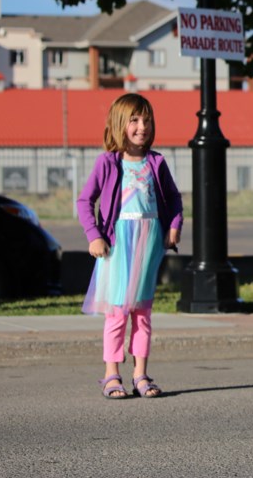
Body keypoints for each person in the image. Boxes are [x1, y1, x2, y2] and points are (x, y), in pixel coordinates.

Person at [77, 93, 183, 400]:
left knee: (143, 312)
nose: (141, 127)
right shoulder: (108, 162)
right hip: (117, 242)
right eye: (134, 120)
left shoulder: (157, 162)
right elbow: (85, 200)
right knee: (117, 312)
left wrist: (174, 227)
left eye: (146, 120)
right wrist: (93, 235)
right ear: (119, 124)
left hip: (148, 241)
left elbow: (174, 198)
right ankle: (112, 374)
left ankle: (140, 374)